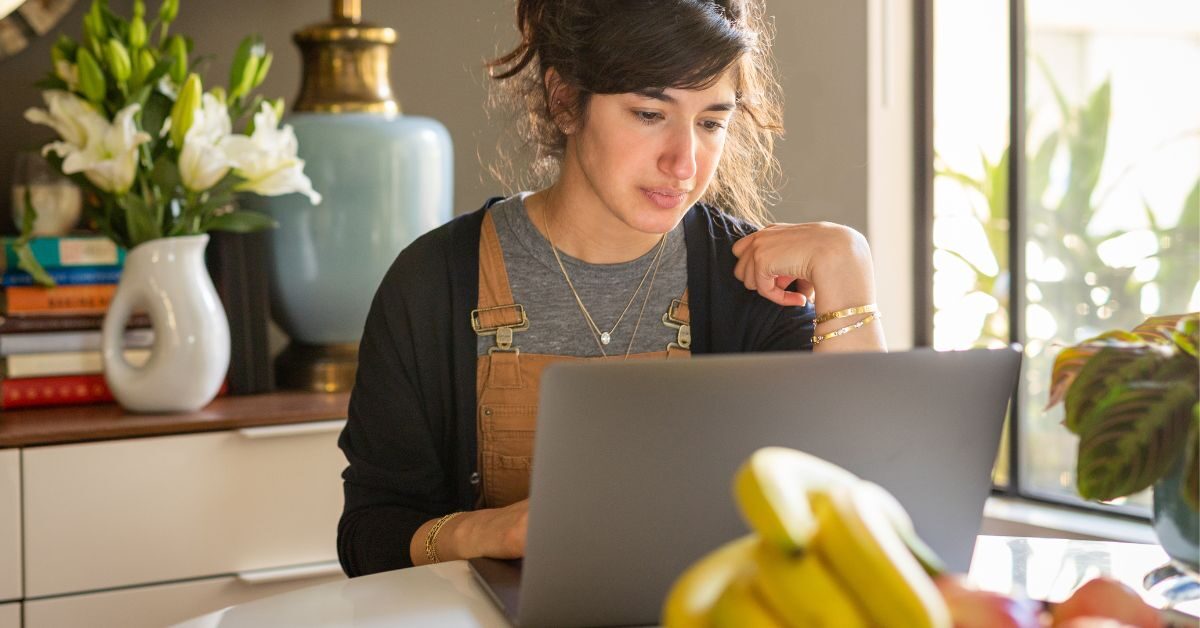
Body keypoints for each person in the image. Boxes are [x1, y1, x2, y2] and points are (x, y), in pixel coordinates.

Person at [336, 0, 886, 577]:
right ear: (565, 101)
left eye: (711, 122)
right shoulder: (432, 280)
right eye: (650, 114)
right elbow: (370, 535)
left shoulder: (756, 286)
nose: (684, 163)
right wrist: (494, 530)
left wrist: (848, 271)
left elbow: (863, 530)